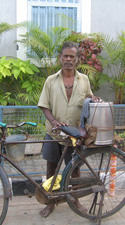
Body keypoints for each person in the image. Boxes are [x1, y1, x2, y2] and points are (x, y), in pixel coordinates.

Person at [37, 41, 97, 218]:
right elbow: (44, 105)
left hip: (75, 135)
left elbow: (89, 100)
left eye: (72, 56)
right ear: (60, 58)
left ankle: (76, 200)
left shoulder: (84, 80)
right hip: (54, 134)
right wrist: (54, 121)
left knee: (75, 170)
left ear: (77, 59)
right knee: (51, 169)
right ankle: (50, 202)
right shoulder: (51, 81)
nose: (68, 59)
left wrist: (94, 99)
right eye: (66, 56)